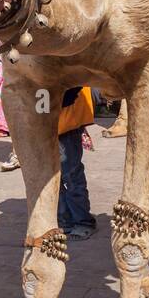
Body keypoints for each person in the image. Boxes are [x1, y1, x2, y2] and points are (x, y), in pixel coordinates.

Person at [58, 87, 96, 239]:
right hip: (48, 120)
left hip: (67, 119)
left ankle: (83, 221)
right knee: (53, 177)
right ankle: (64, 220)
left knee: (71, 174)